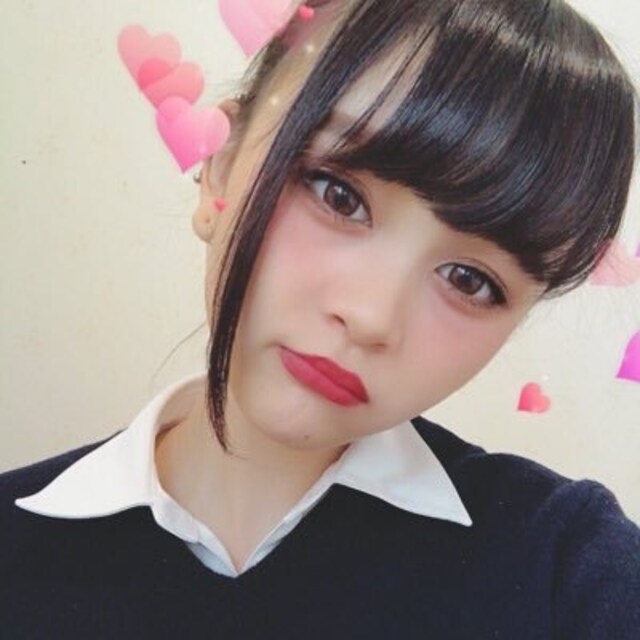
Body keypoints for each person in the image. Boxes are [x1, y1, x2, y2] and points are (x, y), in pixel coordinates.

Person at [1, 0, 639, 637]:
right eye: (339, 195)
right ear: (219, 164)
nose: (369, 317)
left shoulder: (565, 567)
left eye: (470, 281)